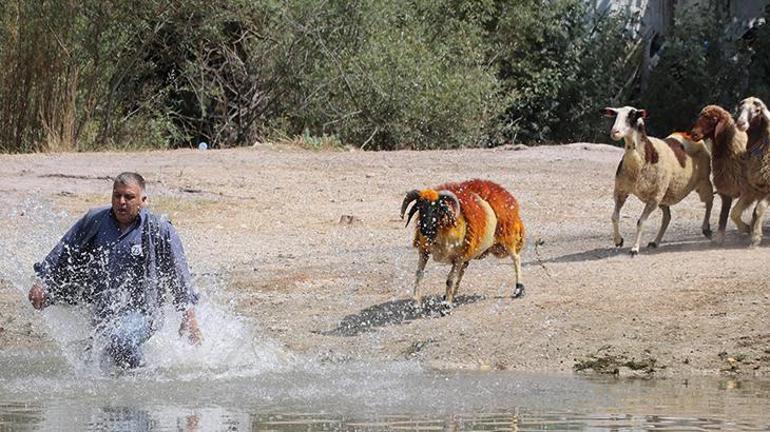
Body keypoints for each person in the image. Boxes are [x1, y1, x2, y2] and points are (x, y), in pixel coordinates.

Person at [28, 172, 202, 369]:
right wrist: (42, 282)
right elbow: (64, 251)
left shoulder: (159, 229)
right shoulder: (95, 220)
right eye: (117, 195)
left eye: (129, 197)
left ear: (143, 200)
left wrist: (189, 318)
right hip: (103, 311)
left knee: (120, 341)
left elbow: (178, 274)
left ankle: (142, 378)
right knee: (97, 360)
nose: (121, 202)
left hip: (145, 313)